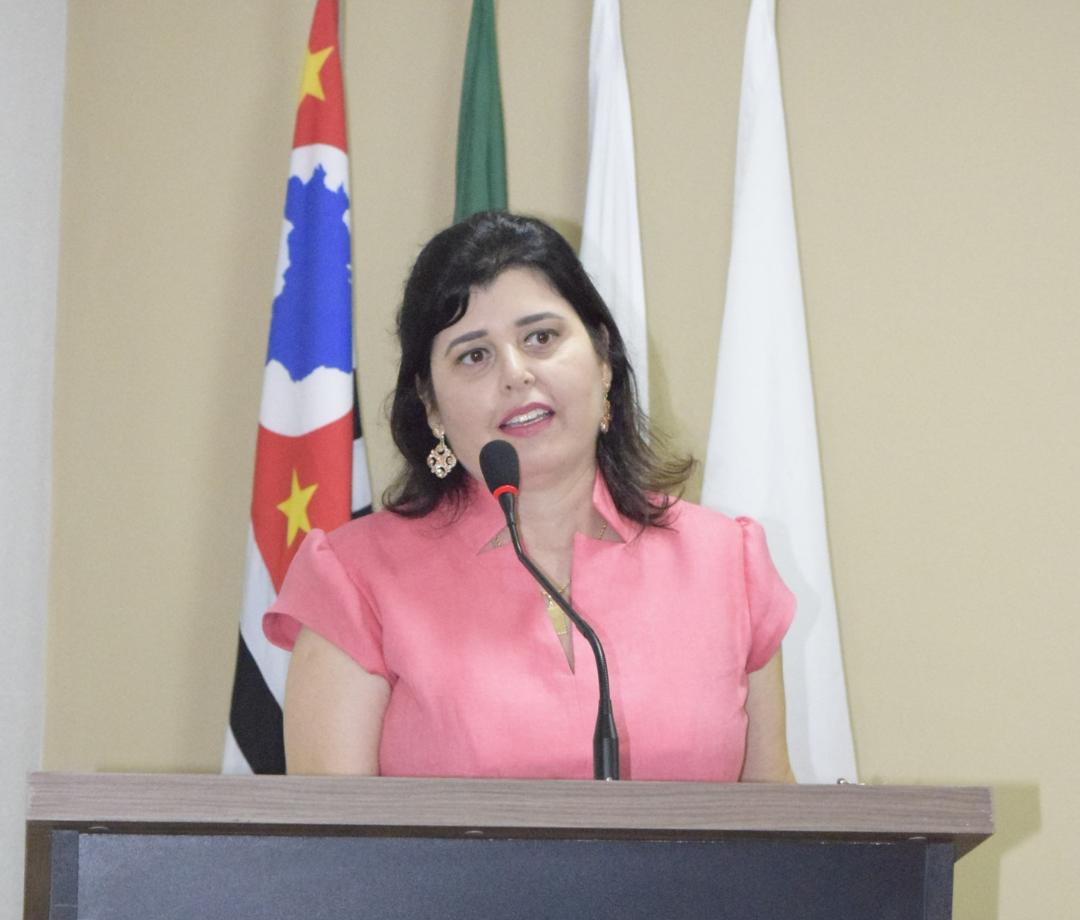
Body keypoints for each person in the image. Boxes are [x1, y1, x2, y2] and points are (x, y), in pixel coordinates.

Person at [263, 211, 796, 782]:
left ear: (603, 358)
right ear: (432, 406)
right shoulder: (353, 580)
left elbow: (775, 823)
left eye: (541, 337)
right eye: (474, 355)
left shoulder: (726, 565)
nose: (516, 374)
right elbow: (335, 836)